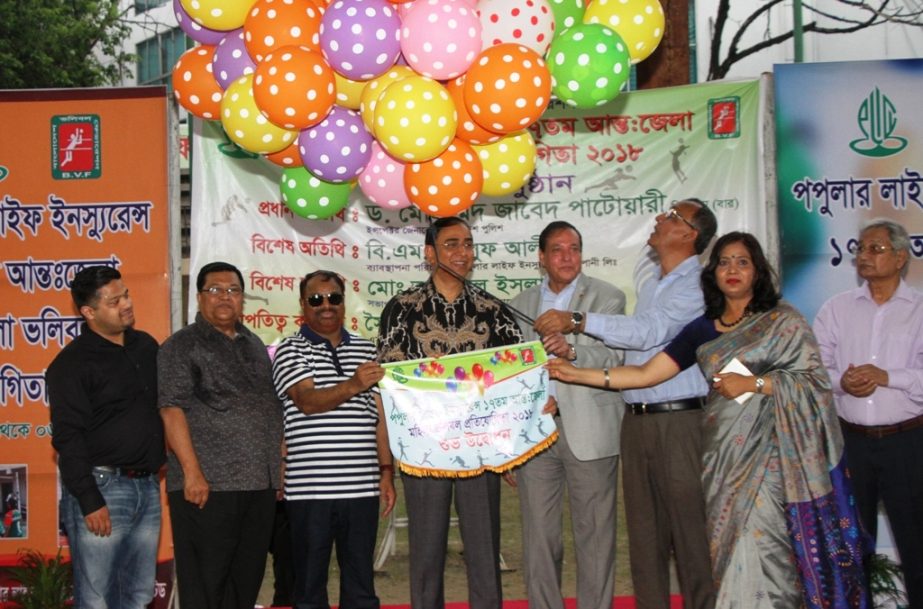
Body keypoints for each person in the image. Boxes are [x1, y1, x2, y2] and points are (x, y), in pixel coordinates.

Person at [546, 232, 868, 609]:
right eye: (724, 262)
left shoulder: (782, 321)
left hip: (770, 466)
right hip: (722, 463)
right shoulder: (703, 328)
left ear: (758, 272)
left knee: (771, 551)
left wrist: (756, 383)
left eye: (742, 262)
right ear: (712, 273)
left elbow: (814, 383)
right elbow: (646, 373)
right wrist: (575, 374)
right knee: (728, 551)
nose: (732, 269)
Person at [533, 199, 717, 609]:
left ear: (689, 234)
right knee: (645, 540)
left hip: (679, 419)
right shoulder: (652, 279)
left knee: (689, 538)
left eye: (670, 216)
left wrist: (577, 322)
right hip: (635, 419)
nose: (659, 218)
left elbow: (647, 332)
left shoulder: (698, 286)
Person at [377, 216, 523, 609]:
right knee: (425, 554)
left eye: (469, 244)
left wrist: (509, 449)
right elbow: (389, 386)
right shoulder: (402, 309)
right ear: (430, 253)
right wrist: (388, 460)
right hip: (424, 450)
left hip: (481, 447)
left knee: (484, 549)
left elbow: (513, 384)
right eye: (452, 244)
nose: (463, 253)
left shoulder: (494, 311)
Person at [508, 221, 626, 609]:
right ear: (541, 258)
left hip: (590, 431)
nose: (567, 257)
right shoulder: (520, 305)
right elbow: (510, 373)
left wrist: (571, 352)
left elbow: (615, 357)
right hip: (536, 434)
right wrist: (509, 439)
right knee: (539, 538)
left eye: (574, 248)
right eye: (557, 250)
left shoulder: (607, 297)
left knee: (595, 536)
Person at [158, 261, 284, 609]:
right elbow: (171, 410)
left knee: (245, 582)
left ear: (242, 298)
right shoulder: (180, 346)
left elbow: (267, 409)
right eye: (215, 290)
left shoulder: (254, 343)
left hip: (258, 485)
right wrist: (192, 474)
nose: (225, 297)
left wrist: (277, 468)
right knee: (205, 586)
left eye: (233, 290)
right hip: (209, 487)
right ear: (199, 297)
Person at [814, 218, 923, 608]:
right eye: (860, 248)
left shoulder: (919, 308)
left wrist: (886, 377)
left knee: (916, 544)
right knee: (851, 545)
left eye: (875, 249)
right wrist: (843, 382)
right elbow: (813, 371)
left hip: (908, 442)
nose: (864, 256)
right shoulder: (837, 309)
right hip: (851, 443)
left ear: (900, 257)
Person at [271, 270, 397, 609]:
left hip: (362, 489)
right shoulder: (290, 350)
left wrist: (387, 471)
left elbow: (379, 417)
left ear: (344, 302)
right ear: (302, 305)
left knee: (361, 588)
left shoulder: (365, 349)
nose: (326, 305)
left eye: (334, 298)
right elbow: (307, 402)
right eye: (316, 299)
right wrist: (353, 385)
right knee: (309, 588)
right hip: (310, 492)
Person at [47, 265, 164, 609]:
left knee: (139, 595)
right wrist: (88, 498)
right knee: (97, 598)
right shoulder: (71, 364)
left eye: (125, 294)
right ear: (89, 312)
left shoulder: (146, 346)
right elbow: (67, 437)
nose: (126, 303)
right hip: (103, 489)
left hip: (147, 487)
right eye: (114, 301)